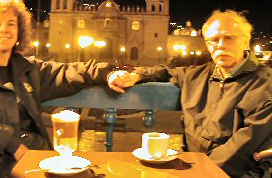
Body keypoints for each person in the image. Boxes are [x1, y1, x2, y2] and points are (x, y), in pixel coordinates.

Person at [0, 0, 114, 177]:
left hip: (37, 159)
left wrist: (109, 74)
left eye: (11, 24)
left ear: (19, 31)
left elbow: (69, 72)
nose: (4, 29)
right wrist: (14, 146)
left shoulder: (29, 69)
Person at [108, 10, 272, 177]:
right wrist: (136, 75)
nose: (221, 45)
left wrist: (198, 170)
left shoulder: (265, 84)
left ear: (246, 42)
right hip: (194, 167)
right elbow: (166, 72)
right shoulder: (197, 75)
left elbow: (244, 147)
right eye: (214, 40)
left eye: (229, 37)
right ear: (208, 46)